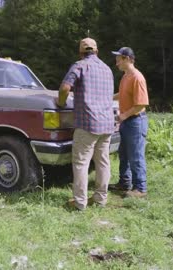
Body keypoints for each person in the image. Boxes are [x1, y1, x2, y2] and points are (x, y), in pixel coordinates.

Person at [57, 37, 115, 210]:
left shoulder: (79, 65)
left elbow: (65, 89)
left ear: (81, 52)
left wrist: (61, 103)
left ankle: (80, 203)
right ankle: (100, 199)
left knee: (81, 163)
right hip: (106, 123)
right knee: (103, 162)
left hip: (88, 123)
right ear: (96, 51)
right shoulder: (107, 69)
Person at [109, 47, 149, 198]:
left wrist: (124, 115)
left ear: (126, 59)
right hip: (127, 122)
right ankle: (124, 183)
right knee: (124, 154)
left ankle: (140, 189)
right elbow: (123, 94)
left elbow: (141, 104)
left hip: (135, 122)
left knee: (136, 156)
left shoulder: (137, 78)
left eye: (118, 58)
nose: (116, 62)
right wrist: (109, 97)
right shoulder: (126, 76)